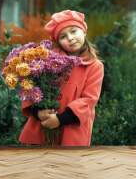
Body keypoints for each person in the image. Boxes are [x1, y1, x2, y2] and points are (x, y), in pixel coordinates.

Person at [19, 10, 104, 146]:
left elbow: (89, 100)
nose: (70, 38)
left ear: (84, 31)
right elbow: (31, 87)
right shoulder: (47, 61)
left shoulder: (94, 66)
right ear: (58, 42)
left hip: (71, 129)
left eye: (74, 31)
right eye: (63, 36)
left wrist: (60, 119)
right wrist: (38, 112)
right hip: (42, 126)